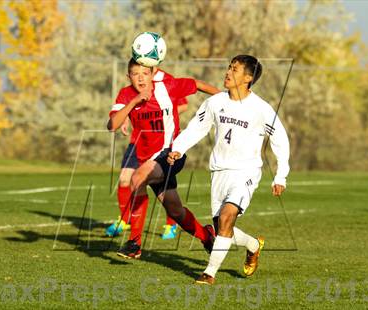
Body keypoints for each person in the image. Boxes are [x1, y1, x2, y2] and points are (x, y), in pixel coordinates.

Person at [168, 55, 290, 284]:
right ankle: (253, 246)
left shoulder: (261, 109)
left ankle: (209, 274)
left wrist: (281, 175)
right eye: (228, 67)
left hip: (246, 172)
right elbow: (197, 127)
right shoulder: (215, 102)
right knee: (223, 227)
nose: (227, 72)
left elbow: (280, 141)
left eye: (234, 69)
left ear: (248, 77)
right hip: (219, 172)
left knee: (226, 217)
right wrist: (178, 148)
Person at [107, 58, 220, 259]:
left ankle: (134, 243)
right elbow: (112, 125)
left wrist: (226, 99)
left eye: (145, 73)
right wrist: (133, 103)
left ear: (153, 73)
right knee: (176, 211)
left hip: (171, 154)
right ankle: (207, 236)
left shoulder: (167, 86)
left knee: (137, 179)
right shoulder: (126, 94)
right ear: (128, 76)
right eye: (135, 74)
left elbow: (197, 84)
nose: (141, 78)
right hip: (148, 159)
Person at [105, 76, 188, 240]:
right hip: (137, 143)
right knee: (124, 179)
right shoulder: (128, 91)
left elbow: (184, 104)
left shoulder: (166, 80)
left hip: (161, 145)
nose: (140, 75)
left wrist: (158, 114)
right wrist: (126, 118)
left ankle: (171, 224)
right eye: (135, 72)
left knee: (165, 191)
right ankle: (125, 220)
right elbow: (116, 119)